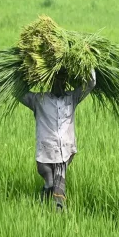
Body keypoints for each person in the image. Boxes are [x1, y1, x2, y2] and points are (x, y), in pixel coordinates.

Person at [19, 68, 96, 211]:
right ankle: (42, 207)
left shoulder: (72, 98)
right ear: (50, 81)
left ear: (67, 82)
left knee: (59, 182)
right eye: (56, 80)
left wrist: (89, 62)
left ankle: (58, 211)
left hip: (66, 152)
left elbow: (91, 83)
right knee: (49, 180)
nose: (59, 83)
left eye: (62, 80)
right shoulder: (38, 100)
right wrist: (26, 74)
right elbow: (17, 92)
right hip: (45, 153)